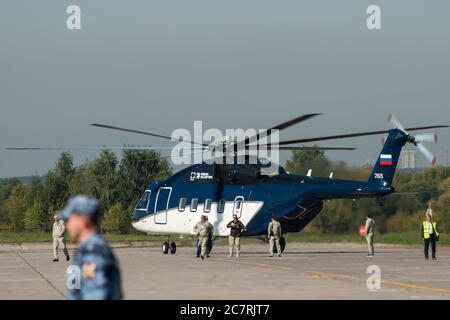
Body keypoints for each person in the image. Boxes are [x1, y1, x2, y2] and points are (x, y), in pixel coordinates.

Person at [59, 195, 123, 300]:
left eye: (69, 219)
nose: (67, 224)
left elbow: (97, 295)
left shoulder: (92, 251)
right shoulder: (93, 248)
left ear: (83, 220)